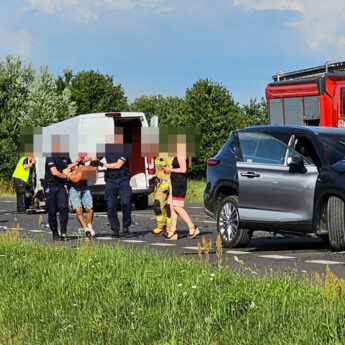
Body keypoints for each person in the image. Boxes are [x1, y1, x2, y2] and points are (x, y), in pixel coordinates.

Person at [97, 128, 132, 238]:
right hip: (111, 180)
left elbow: (118, 165)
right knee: (111, 205)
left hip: (123, 179)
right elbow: (95, 156)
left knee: (125, 202)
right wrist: (86, 158)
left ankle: (126, 224)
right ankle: (115, 229)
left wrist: (102, 165)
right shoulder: (105, 148)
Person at [163, 155, 200, 241]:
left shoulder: (181, 154)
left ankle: (192, 227)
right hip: (174, 182)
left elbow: (183, 170)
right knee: (172, 207)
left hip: (179, 183)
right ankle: (172, 232)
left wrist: (170, 170)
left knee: (177, 206)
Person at [65, 157, 97, 238]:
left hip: (85, 186)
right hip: (74, 188)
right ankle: (85, 229)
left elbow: (94, 169)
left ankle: (89, 225)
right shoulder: (72, 165)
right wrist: (74, 166)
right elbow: (74, 178)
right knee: (78, 209)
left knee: (89, 208)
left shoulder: (87, 166)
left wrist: (88, 160)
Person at [45, 155, 73, 241]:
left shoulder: (65, 156)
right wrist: (65, 176)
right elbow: (54, 172)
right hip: (50, 187)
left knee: (63, 207)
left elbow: (70, 167)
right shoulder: (50, 156)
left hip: (61, 186)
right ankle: (55, 231)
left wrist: (70, 170)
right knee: (52, 210)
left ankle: (63, 230)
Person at [152, 154, 173, 235]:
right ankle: (161, 226)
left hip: (172, 181)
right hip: (162, 182)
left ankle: (169, 228)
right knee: (157, 204)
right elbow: (159, 169)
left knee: (170, 207)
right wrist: (155, 175)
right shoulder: (157, 155)